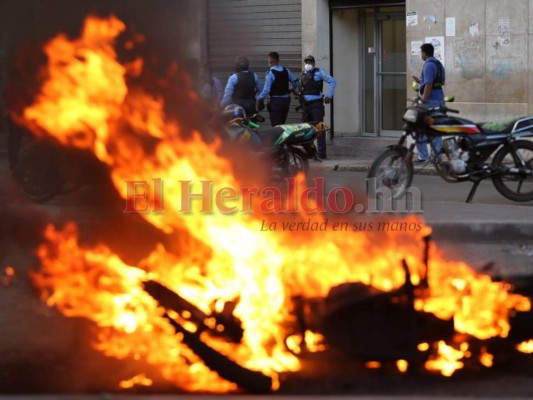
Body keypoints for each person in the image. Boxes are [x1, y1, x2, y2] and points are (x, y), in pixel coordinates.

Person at [414, 43, 446, 164]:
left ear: (425, 53)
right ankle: (436, 157)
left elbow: (428, 84)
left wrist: (423, 101)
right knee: (437, 129)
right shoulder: (439, 64)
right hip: (440, 99)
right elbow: (442, 82)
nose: (421, 55)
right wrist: (421, 81)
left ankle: (423, 157)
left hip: (430, 101)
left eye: (421, 52)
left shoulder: (428, 65)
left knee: (419, 128)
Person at [300, 55, 336, 159]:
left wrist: (329, 96)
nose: (308, 64)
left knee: (319, 128)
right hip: (305, 106)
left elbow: (332, 81)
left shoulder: (319, 72)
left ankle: (322, 153)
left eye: (310, 62)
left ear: (314, 63)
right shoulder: (303, 74)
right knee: (305, 130)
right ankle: (310, 152)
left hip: (316, 105)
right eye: (306, 62)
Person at [257, 52, 299, 126]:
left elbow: (266, 90)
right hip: (286, 101)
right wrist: (292, 89)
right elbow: (296, 83)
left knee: (276, 127)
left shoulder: (270, 73)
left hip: (276, 102)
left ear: (270, 61)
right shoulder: (286, 70)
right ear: (278, 60)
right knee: (282, 125)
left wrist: (260, 99)